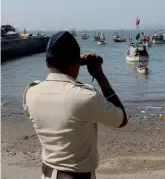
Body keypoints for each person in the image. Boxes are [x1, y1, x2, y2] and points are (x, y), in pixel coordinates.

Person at [23, 31, 127, 179]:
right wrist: (99, 76)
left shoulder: (30, 92)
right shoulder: (87, 97)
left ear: (47, 62)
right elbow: (121, 120)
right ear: (76, 63)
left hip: (46, 174)